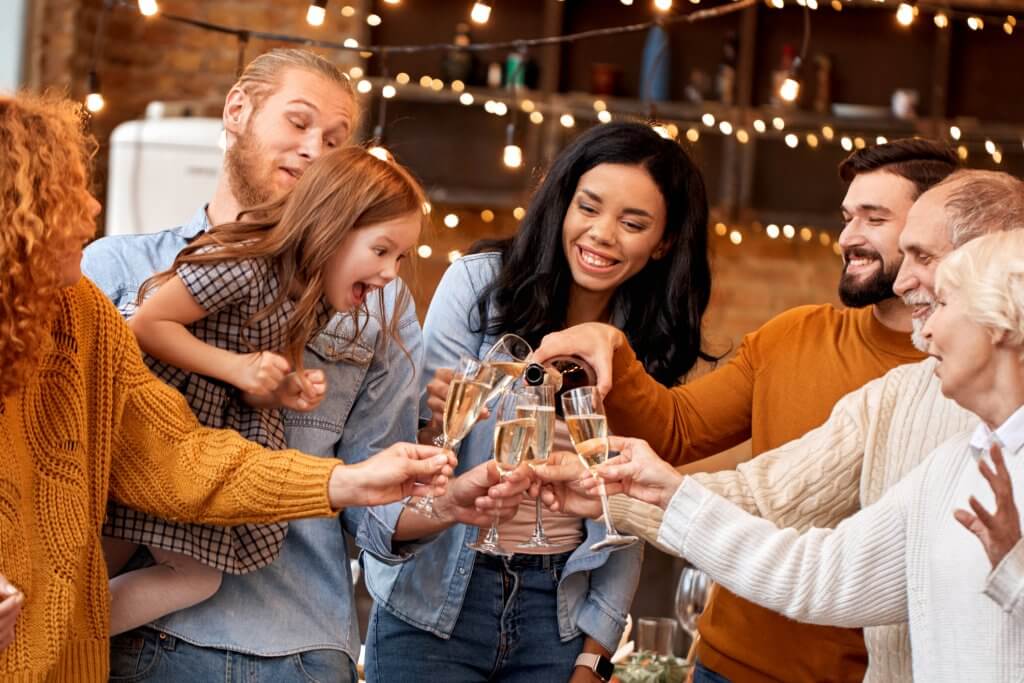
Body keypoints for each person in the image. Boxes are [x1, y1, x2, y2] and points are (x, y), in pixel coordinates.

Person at [0, 92, 453, 681]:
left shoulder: (83, 315)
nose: (90, 207)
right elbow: (161, 328)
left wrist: (346, 477)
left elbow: (180, 454)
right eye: (66, 193)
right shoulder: (230, 264)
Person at [537, 169, 1024, 682]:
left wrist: (1014, 573)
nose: (905, 282)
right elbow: (814, 572)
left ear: (1000, 291)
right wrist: (625, 494)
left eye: (925, 261)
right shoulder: (940, 449)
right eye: (847, 217)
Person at [363, 121, 716, 682]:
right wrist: (433, 420)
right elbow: (413, 448)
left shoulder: (645, 344)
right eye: (589, 207)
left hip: (559, 611)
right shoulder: (480, 284)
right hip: (437, 604)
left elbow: (627, 510)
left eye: (633, 223)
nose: (602, 234)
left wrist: (594, 655)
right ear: (563, 203)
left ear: (663, 243)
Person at [102, 144, 425, 635]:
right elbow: (147, 324)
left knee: (176, 572)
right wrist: (236, 367)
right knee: (124, 562)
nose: (389, 273)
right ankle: (66, 637)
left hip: (196, 448)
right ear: (330, 226)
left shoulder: (311, 297)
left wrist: (279, 389)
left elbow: (250, 384)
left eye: (400, 258)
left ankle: (66, 636)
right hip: (146, 431)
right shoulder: (246, 264)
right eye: (381, 251)